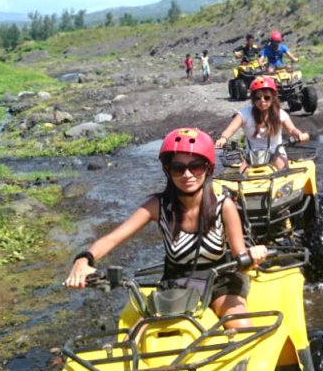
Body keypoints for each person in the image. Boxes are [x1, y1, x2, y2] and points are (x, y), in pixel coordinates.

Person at [65, 128, 268, 327]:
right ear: (168, 170)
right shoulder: (158, 206)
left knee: (240, 324)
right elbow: (113, 238)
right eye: (178, 168)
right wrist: (84, 259)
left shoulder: (224, 206)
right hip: (176, 284)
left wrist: (253, 255)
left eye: (195, 166)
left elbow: (240, 257)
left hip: (221, 281)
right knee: (137, 336)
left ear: (208, 168)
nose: (187, 174)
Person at [215, 76, 309, 171]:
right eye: (258, 98)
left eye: (267, 97)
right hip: (251, 155)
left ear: (273, 97)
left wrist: (300, 135)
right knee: (241, 175)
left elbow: (291, 130)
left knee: (284, 174)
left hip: (275, 153)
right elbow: (230, 129)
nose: (262, 100)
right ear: (253, 99)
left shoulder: (280, 113)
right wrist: (223, 138)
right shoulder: (245, 113)